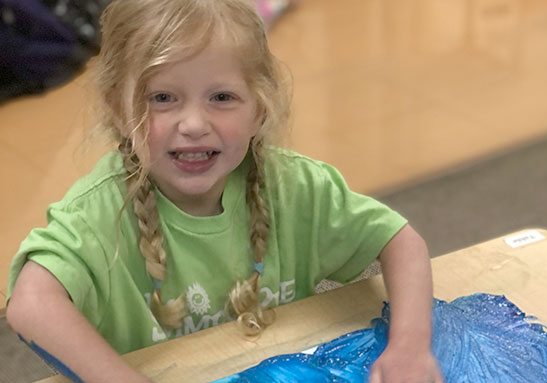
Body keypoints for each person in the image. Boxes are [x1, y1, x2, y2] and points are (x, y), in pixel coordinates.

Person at [5, 0, 443, 382]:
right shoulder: (100, 213)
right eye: (162, 98)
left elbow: (401, 242)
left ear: (260, 108)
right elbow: (31, 304)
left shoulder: (296, 188)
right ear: (118, 110)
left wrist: (409, 346)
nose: (194, 124)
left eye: (221, 98)